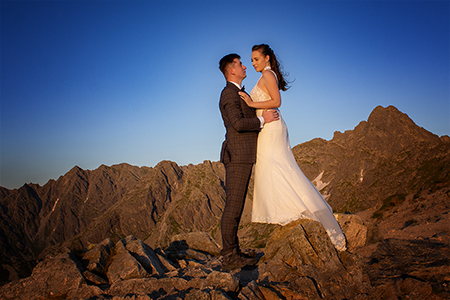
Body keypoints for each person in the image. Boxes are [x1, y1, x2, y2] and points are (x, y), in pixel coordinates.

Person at [239, 44, 347, 251]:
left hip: (272, 127)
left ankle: (301, 211)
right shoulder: (265, 76)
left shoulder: (268, 75)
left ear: (267, 58)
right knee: (276, 167)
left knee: (277, 166)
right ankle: (290, 211)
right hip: (269, 126)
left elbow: (277, 101)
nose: (252, 63)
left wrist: (251, 104)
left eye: (255, 59)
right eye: (251, 60)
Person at [218, 53, 279, 270]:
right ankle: (229, 256)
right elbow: (237, 123)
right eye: (240, 64)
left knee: (237, 205)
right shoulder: (228, 94)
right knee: (233, 206)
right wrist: (264, 119)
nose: (245, 66)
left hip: (243, 155)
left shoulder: (239, 93)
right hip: (237, 156)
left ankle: (233, 250)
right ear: (231, 70)